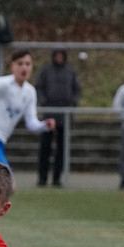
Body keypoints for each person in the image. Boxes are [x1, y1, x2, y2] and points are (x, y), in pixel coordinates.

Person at [0, 50, 56, 170]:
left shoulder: (30, 92)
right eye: (20, 64)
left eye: (27, 64)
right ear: (12, 67)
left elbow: (31, 122)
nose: (24, 68)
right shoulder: (3, 83)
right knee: (6, 178)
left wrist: (44, 125)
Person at [35, 46, 82, 187]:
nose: (59, 57)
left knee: (61, 149)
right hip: (49, 114)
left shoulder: (71, 71)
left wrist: (72, 103)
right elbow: (39, 87)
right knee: (45, 148)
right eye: (57, 55)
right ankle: (42, 178)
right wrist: (44, 102)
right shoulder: (45, 70)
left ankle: (57, 178)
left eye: (62, 55)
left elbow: (77, 89)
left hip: (65, 116)